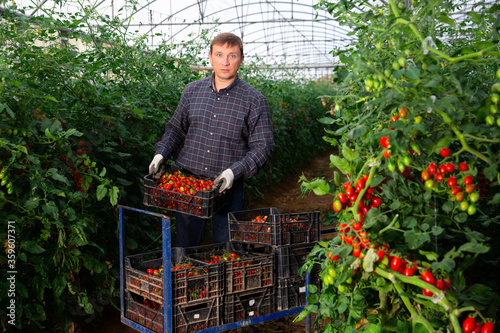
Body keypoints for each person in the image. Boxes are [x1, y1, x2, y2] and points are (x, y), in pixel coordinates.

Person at [149, 32, 274, 247]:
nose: (225, 62)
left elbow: (263, 146)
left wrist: (234, 171)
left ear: (241, 60)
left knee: (227, 248)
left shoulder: (254, 100)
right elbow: (175, 129)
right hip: (188, 185)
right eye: (219, 54)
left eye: (232, 56)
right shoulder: (192, 91)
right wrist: (161, 153)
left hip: (227, 187)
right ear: (210, 57)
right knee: (186, 247)